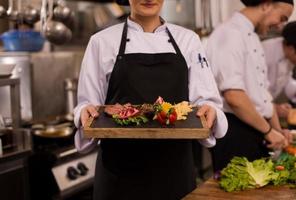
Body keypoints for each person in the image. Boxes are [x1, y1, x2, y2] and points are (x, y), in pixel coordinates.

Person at [74, 0, 228, 199]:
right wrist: (84, 113)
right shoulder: (101, 42)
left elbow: (208, 100)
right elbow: (87, 104)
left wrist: (210, 111)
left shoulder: (188, 40)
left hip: (174, 169)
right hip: (119, 172)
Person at [206, 0, 294, 171]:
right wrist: (269, 131)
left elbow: (263, 95)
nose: (281, 26)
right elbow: (234, 96)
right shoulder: (229, 34)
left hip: (255, 127)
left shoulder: (252, 36)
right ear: (266, 5)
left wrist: (278, 131)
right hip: (235, 131)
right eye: (282, 17)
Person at [263, 21, 296, 118]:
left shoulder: (289, 56)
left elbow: (286, 80)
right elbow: (254, 91)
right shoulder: (265, 52)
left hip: (268, 107)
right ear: (291, 48)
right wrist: (275, 108)